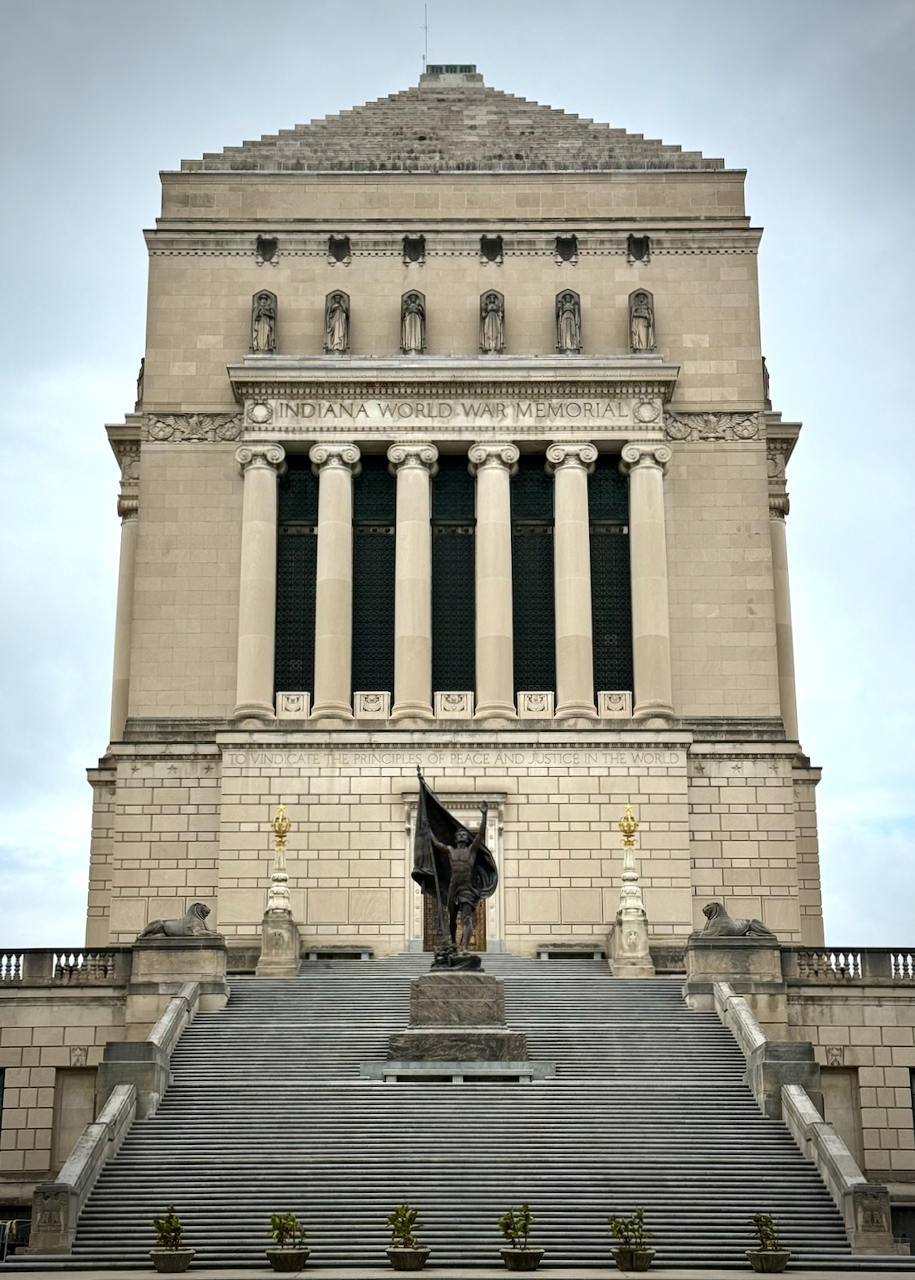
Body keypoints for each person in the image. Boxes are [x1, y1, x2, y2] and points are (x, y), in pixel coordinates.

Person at [430, 802, 489, 952]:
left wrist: (484, 815)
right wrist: (428, 828)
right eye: (460, 834)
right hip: (453, 886)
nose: (463, 835)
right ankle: (453, 943)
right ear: (456, 839)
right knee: (452, 917)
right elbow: (436, 843)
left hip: (467, 887)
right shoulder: (450, 850)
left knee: (467, 917)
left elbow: (481, 834)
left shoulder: (471, 851)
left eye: (464, 834)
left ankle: (465, 948)